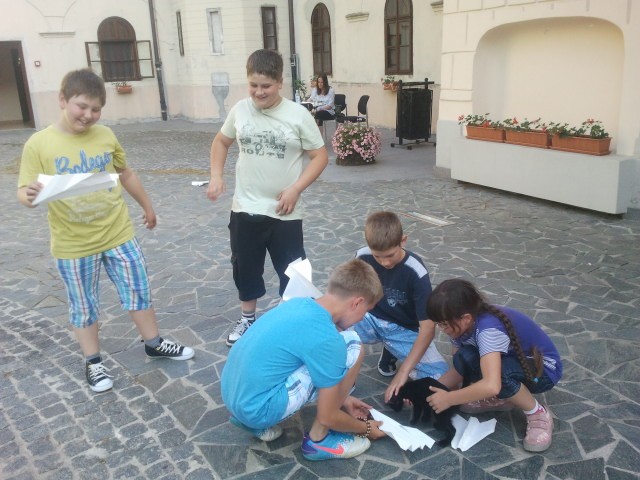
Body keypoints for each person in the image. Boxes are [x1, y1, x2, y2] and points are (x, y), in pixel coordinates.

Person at [17, 69, 194, 393]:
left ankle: (154, 343)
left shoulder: (106, 136)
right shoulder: (39, 144)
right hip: (73, 244)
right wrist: (28, 196)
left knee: (138, 289)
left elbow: (125, 173)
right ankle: (93, 361)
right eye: (81, 106)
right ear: (62, 100)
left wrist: (147, 206)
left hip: (118, 232)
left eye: (96, 109)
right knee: (83, 304)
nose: (88, 115)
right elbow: (24, 192)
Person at [207, 49, 328, 346]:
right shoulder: (240, 110)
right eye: (253, 85)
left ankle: (294, 322)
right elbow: (221, 141)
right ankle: (247, 318)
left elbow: (320, 156)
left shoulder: (297, 115)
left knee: (294, 271)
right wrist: (216, 175)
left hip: (284, 211)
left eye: (266, 86)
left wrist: (296, 188)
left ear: (280, 83)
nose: (259, 92)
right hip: (245, 207)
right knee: (245, 266)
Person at [221, 259, 387, 461]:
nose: (362, 318)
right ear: (357, 303)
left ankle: (249, 422)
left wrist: (343, 399)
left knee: (311, 357)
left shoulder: (299, 303)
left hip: (232, 397)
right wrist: (365, 428)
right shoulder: (328, 339)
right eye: (366, 311)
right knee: (353, 345)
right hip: (257, 410)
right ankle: (319, 440)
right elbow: (328, 416)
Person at [425, 278, 563, 452]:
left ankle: (537, 413)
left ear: (465, 318)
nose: (440, 328)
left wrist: (449, 398)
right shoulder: (462, 325)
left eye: (443, 324)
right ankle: (503, 398)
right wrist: (427, 391)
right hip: (515, 363)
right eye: (438, 323)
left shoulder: (488, 330)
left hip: (544, 372)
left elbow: (492, 385)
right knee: (463, 356)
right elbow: (460, 367)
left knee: (500, 377)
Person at [353, 211, 448, 403]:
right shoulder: (362, 256)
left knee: (440, 378)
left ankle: (392, 349)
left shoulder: (416, 271)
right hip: (370, 318)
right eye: (378, 257)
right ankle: (343, 382)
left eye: (390, 255)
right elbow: (351, 293)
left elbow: (428, 328)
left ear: (403, 240)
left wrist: (404, 372)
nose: (385, 262)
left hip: (403, 329)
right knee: (331, 330)